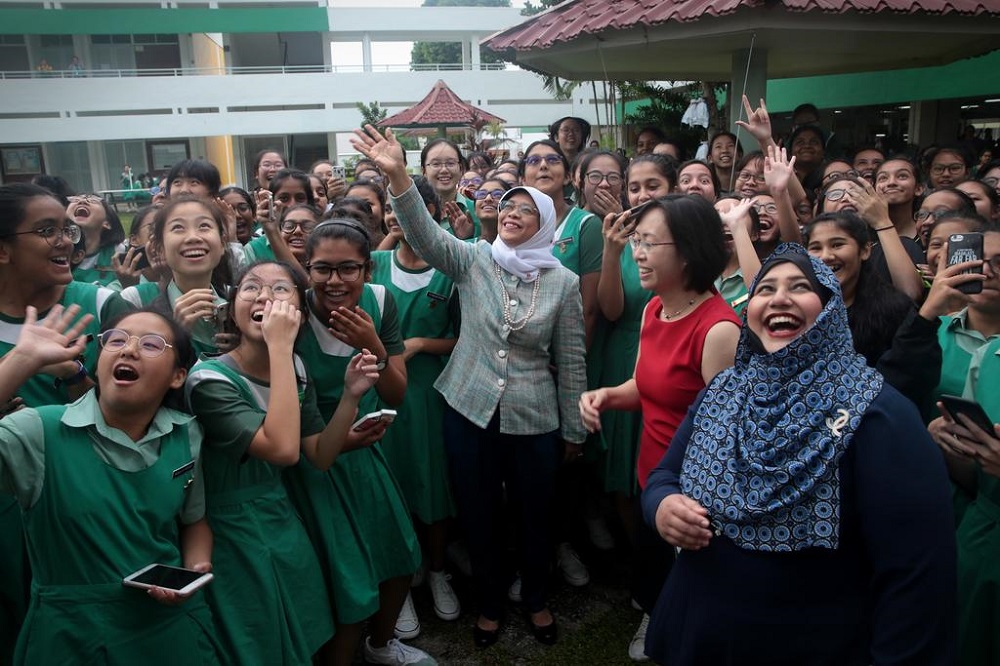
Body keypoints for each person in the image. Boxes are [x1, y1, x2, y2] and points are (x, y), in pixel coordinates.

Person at [642, 244, 957, 665]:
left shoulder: (878, 414)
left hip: (810, 644)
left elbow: (916, 573)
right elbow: (664, 476)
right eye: (765, 288)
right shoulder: (725, 390)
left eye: (799, 287)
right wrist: (663, 506)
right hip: (699, 629)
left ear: (830, 310)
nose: (779, 299)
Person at [353, 124, 587, 649]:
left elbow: (572, 361)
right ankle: (489, 603)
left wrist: (574, 429)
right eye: (506, 207)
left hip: (534, 415)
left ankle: (536, 599)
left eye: (524, 210)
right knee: (478, 514)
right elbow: (425, 235)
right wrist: (398, 177)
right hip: (468, 410)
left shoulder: (563, 282)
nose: (511, 214)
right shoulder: (475, 258)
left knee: (534, 513)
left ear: (544, 222)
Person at [0, 306, 225, 665]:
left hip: (168, 628)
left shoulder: (187, 434)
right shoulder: (38, 431)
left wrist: (195, 569)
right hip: (73, 635)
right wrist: (22, 359)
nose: (129, 350)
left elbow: (193, 519)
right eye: (116, 340)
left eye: (151, 344)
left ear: (178, 376)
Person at [185, 261, 382, 664]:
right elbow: (282, 450)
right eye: (251, 288)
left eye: (279, 289)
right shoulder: (208, 380)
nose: (264, 297)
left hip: (279, 514)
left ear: (301, 314)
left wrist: (350, 396)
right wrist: (279, 347)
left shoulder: (296, 367)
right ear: (232, 308)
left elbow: (319, 455)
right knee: (255, 639)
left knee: (304, 626)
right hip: (227, 529)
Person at [580, 194, 741, 662]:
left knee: (691, 585)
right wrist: (609, 396)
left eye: (650, 243)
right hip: (653, 473)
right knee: (653, 562)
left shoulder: (719, 330)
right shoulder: (655, 309)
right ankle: (657, 611)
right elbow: (646, 384)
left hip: (694, 493)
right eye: (637, 242)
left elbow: (723, 433)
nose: (638, 253)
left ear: (689, 250)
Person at [283, 219, 431, 666]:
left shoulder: (380, 301)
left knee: (399, 552)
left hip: (363, 449)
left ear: (368, 269)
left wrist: (373, 345)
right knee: (343, 573)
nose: (334, 281)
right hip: (310, 455)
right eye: (322, 269)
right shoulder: (292, 314)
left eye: (348, 268)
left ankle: (381, 644)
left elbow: (396, 393)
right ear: (307, 269)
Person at [372, 184, 461, 635]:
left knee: (434, 484)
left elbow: (469, 336)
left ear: (432, 212)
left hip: (431, 394)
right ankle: (401, 580)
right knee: (392, 486)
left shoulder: (452, 268)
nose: (400, 215)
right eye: (392, 208)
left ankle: (439, 569)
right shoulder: (374, 264)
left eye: (411, 206)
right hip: (381, 394)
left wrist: (423, 343)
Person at [119, 195, 234, 357]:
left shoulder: (240, 311)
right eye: (178, 228)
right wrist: (174, 336)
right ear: (160, 249)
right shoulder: (143, 322)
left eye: (204, 226)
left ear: (222, 243)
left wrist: (244, 351)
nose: (193, 237)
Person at [66, 193, 127, 288]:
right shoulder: (53, 251)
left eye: (93, 200)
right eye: (76, 200)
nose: (82, 201)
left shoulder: (118, 252)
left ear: (107, 223)